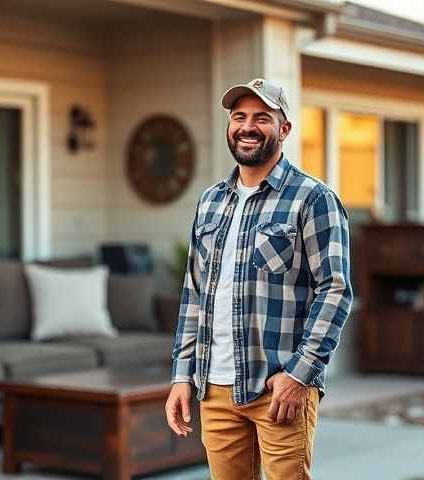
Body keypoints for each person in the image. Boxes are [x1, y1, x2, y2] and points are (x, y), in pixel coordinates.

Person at [164, 78, 353, 479]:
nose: (247, 126)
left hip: (277, 389)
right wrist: (183, 375)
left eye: (262, 118)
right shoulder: (211, 200)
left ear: (284, 129)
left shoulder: (313, 199)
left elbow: (335, 290)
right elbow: (194, 293)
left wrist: (300, 375)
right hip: (214, 389)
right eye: (239, 117)